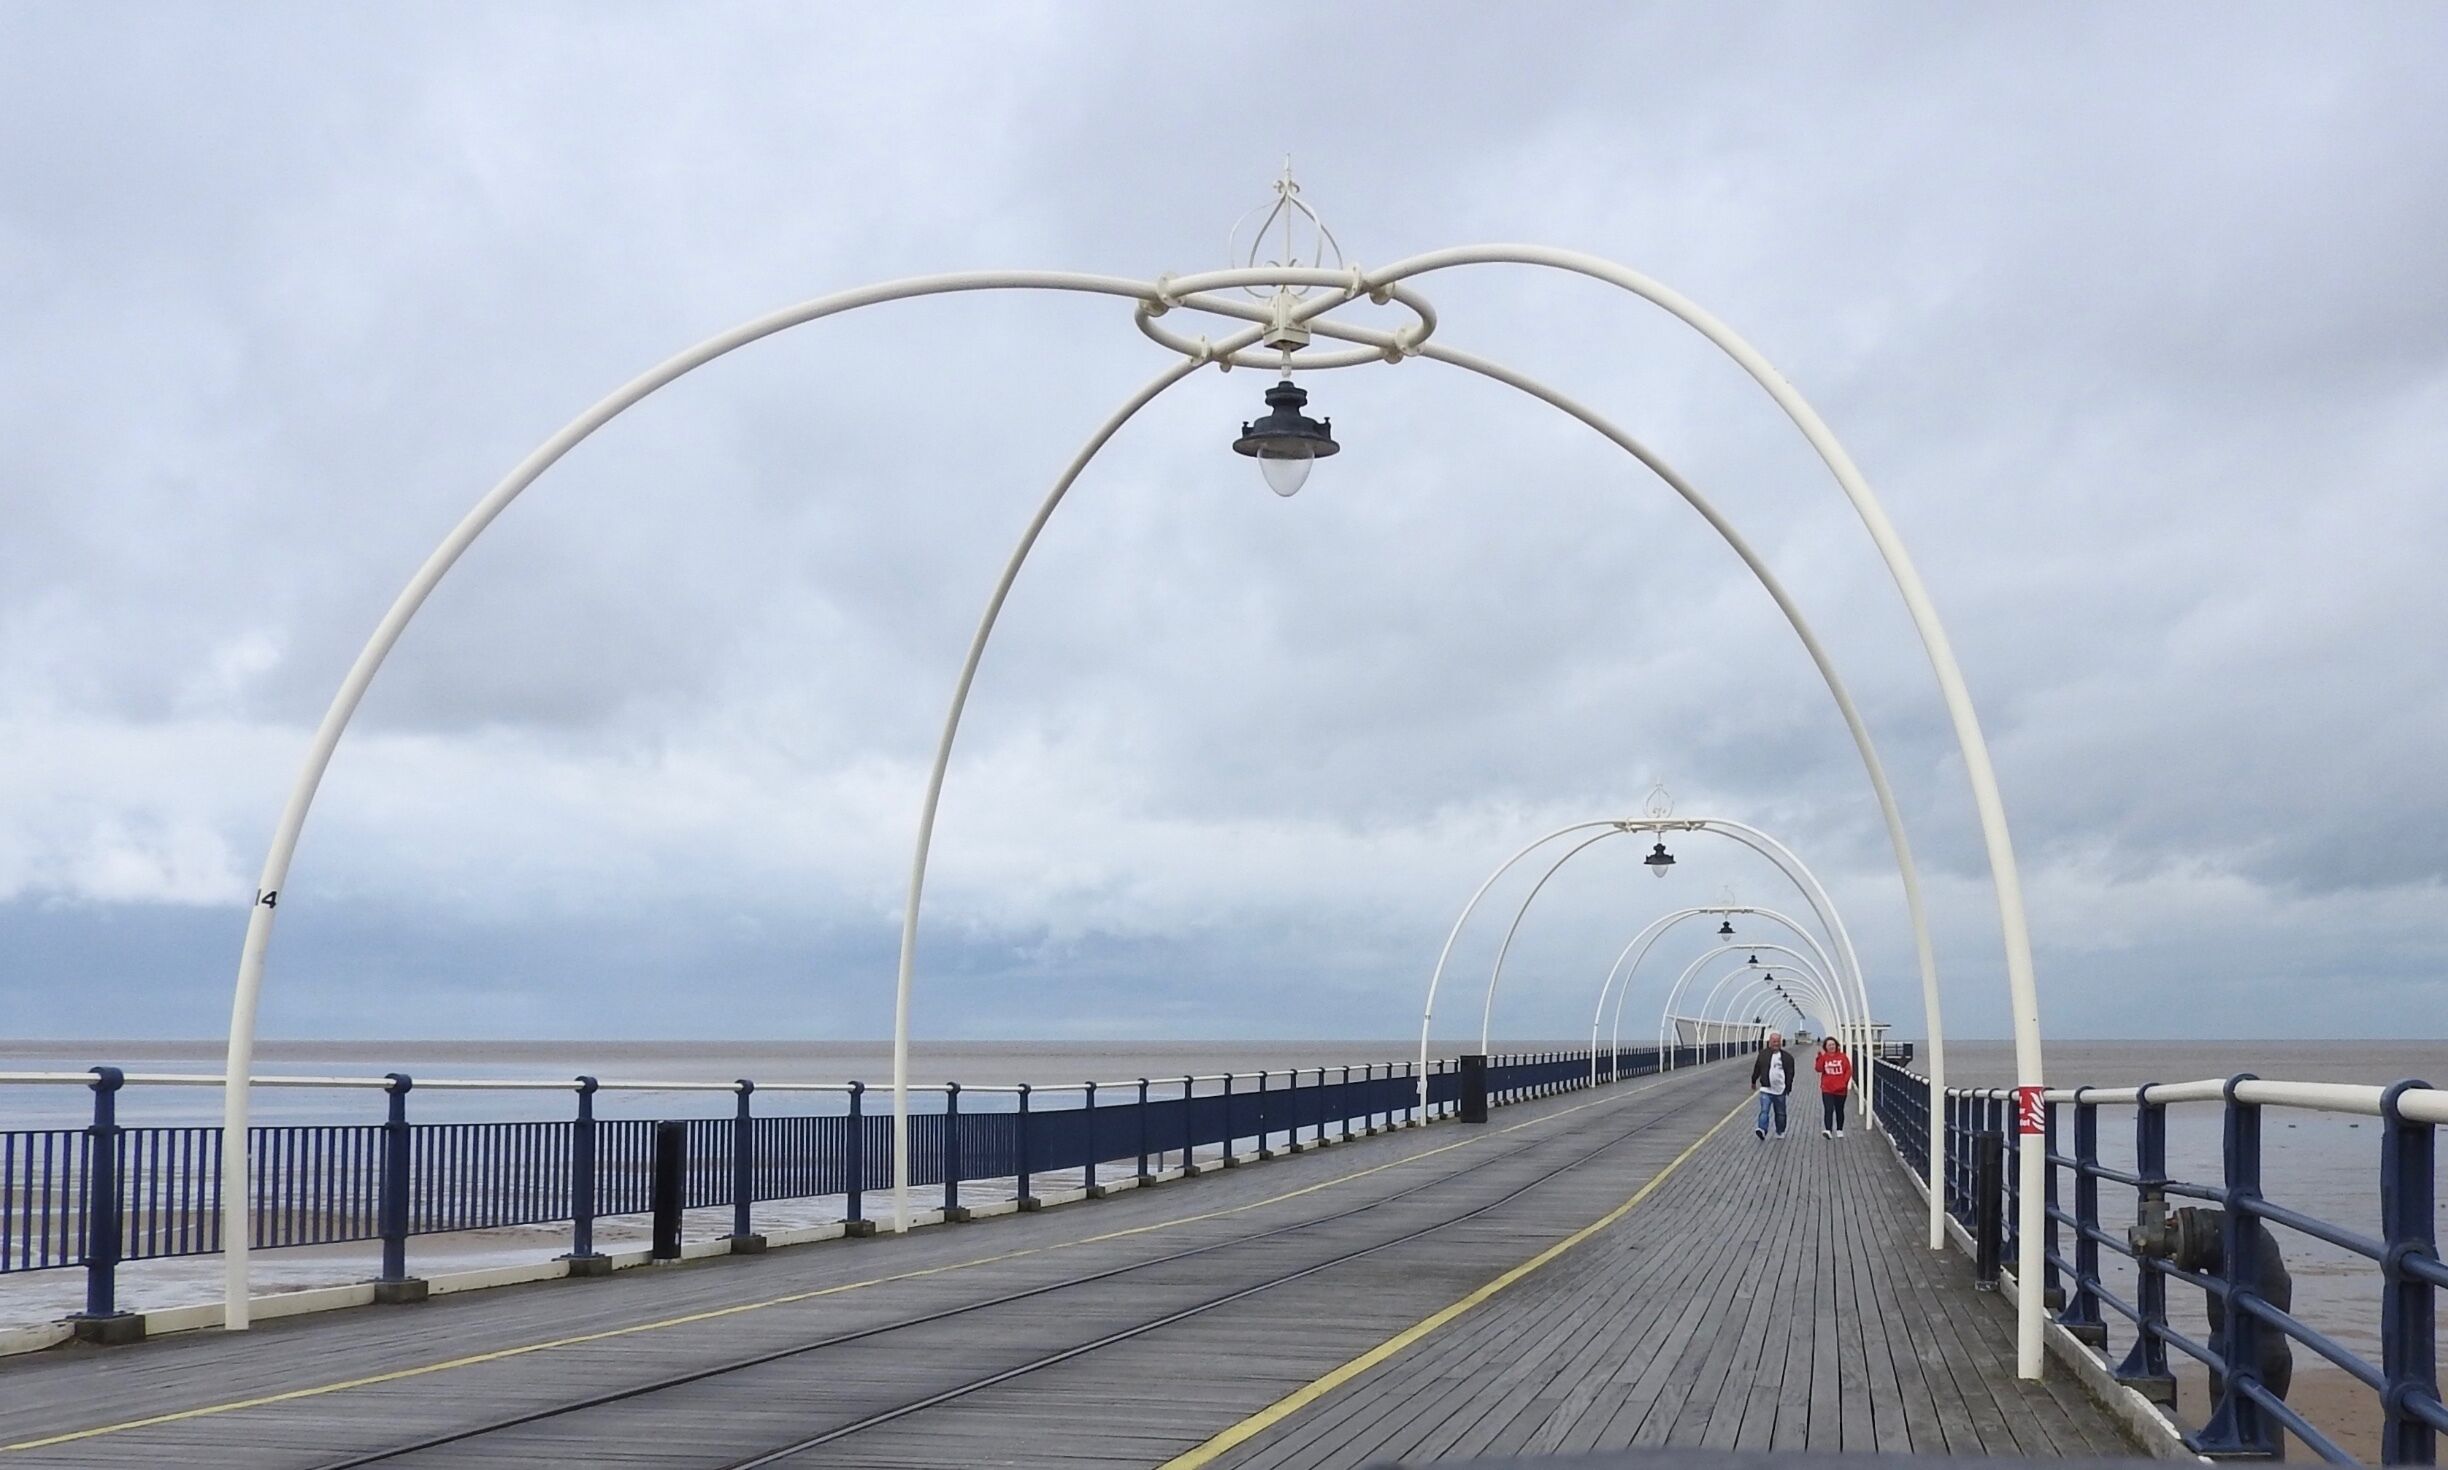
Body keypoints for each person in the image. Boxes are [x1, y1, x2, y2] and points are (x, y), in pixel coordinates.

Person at [1749, 1031, 1795, 1139]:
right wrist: (1753, 1080)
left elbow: (1790, 1073)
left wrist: (1788, 1087)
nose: (1776, 1043)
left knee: (1780, 1113)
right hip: (1766, 1088)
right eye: (1773, 1041)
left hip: (1780, 1089)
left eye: (1777, 1041)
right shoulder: (1763, 1054)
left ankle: (1780, 1131)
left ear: (1781, 1042)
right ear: (1769, 1042)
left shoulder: (1787, 1058)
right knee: (1764, 1110)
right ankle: (1762, 1129)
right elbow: (1757, 1068)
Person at [1814, 1035, 1854, 1137]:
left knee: (1839, 1109)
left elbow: (1848, 1070)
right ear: (1825, 1047)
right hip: (1827, 1088)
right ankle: (1828, 1130)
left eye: (1833, 1044)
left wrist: (1844, 1083)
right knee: (1828, 1109)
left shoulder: (1842, 1057)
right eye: (1829, 1045)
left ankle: (1839, 1129)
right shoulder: (1824, 1057)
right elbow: (1818, 1069)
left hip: (1840, 1089)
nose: (1831, 1047)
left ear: (1836, 1046)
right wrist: (1819, 1057)